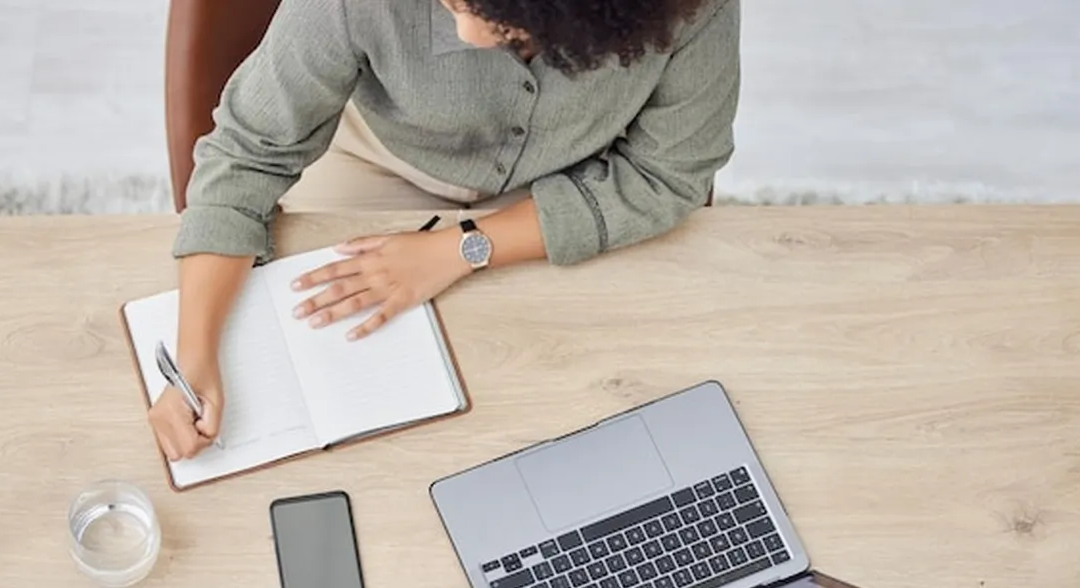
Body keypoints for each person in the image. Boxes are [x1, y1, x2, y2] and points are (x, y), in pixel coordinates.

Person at [148, 0, 742, 461]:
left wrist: (464, 248)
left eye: (489, 13)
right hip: (376, 163)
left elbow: (666, 174)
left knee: (571, 404)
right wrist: (194, 353)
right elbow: (248, 153)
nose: (462, 31)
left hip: (568, 186)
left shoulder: (689, 7)